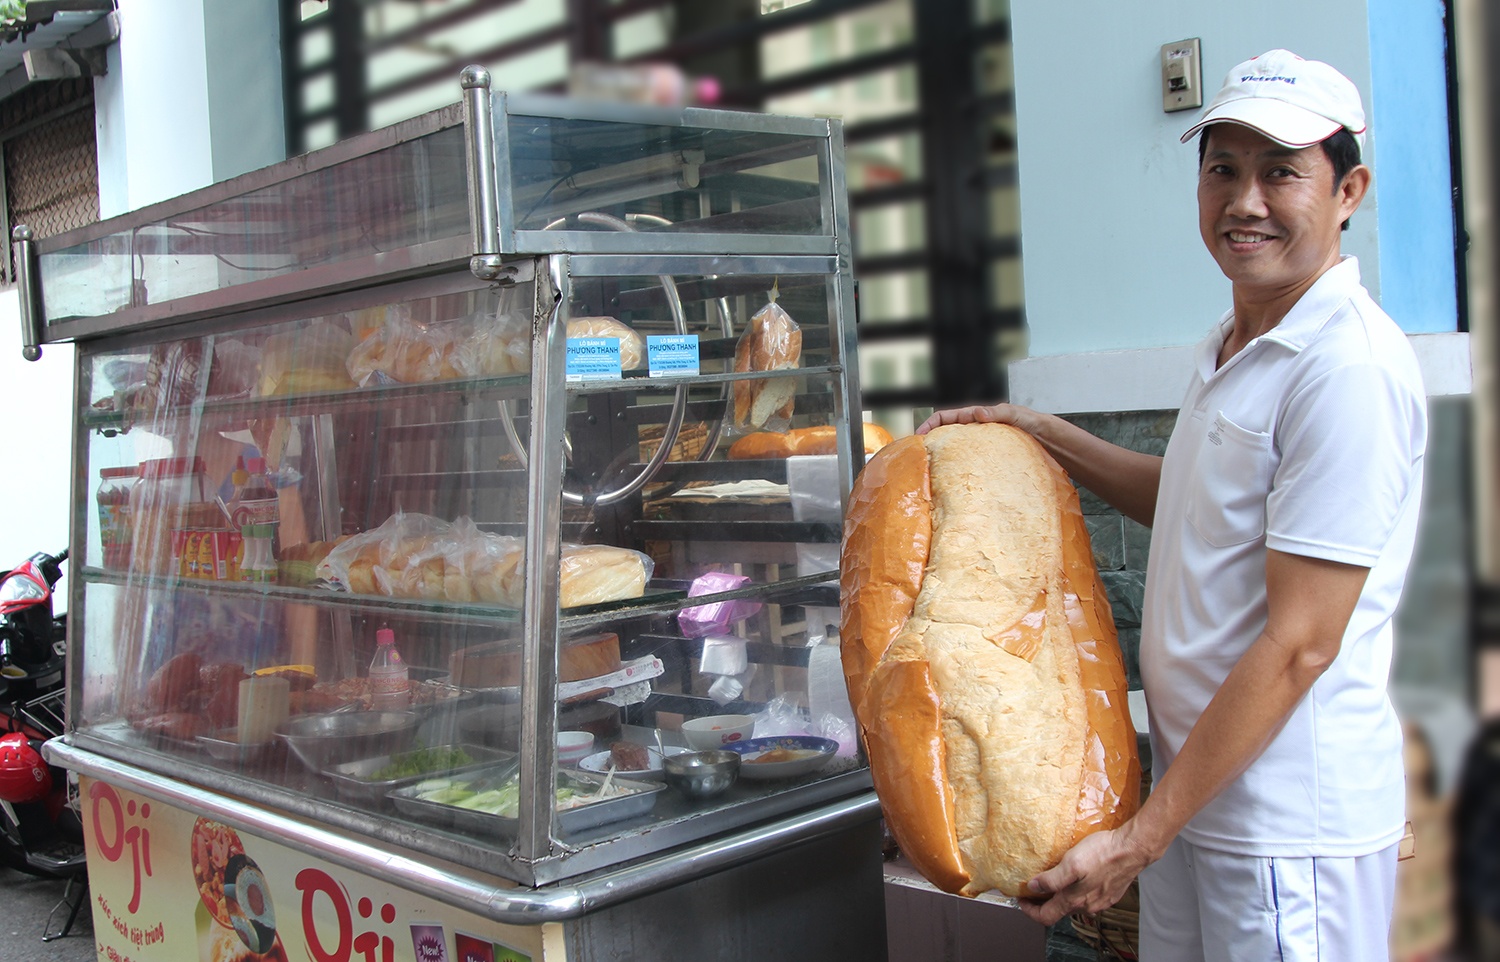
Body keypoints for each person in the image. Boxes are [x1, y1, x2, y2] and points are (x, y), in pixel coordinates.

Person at [918, 49, 1427, 959]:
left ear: (1348, 189)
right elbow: (1189, 501)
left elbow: (1301, 642)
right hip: (1200, 799)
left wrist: (1139, 838)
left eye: (1281, 173)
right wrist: (1040, 431)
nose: (1245, 202)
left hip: (1284, 830)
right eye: (1221, 171)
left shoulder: (1343, 367)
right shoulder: (1235, 343)